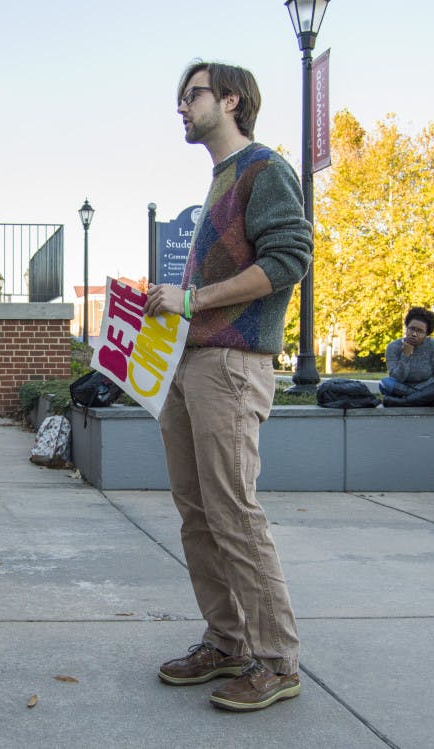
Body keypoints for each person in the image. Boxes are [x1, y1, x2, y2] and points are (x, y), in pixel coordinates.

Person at [142, 61, 313, 712]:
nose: (182, 108)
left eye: (193, 95)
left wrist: (192, 299)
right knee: (196, 513)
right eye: (181, 99)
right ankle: (227, 641)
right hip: (189, 366)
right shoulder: (220, 179)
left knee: (234, 514)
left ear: (232, 99)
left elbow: (289, 259)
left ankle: (276, 660)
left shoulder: (264, 169)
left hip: (232, 366)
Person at [379, 307, 434, 407]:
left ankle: (404, 402)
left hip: (428, 387)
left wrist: (419, 389)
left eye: (420, 331)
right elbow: (396, 378)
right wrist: (406, 355)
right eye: (411, 329)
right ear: (406, 327)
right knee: (385, 384)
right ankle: (427, 401)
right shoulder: (393, 347)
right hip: (403, 387)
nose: (414, 334)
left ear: (426, 334)